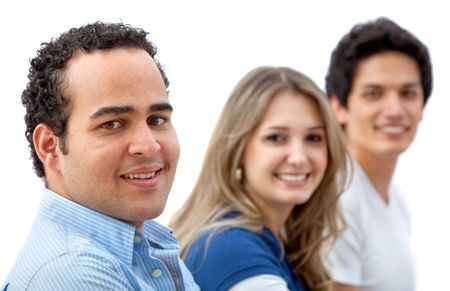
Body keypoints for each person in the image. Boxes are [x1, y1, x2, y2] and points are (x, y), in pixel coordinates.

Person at [2, 22, 199, 291]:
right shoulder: (74, 274)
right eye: (112, 124)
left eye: (156, 119)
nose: (149, 145)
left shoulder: (144, 245)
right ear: (50, 146)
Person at [170, 66, 351, 291]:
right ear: (238, 149)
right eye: (276, 138)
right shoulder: (231, 250)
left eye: (314, 137)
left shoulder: (275, 244)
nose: (298, 157)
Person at [324, 17, 433, 291]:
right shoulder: (338, 197)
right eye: (374, 94)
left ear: (422, 108)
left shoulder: (396, 199)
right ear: (338, 107)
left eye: (408, 93)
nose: (394, 109)